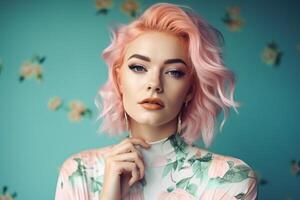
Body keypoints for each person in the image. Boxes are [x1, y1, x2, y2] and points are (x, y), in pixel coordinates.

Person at [55, 3, 257, 200]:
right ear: (119, 80)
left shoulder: (230, 179)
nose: (154, 84)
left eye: (174, 72)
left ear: (190, 89)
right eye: (139, 67)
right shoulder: (79, 172)